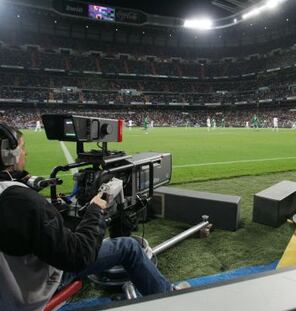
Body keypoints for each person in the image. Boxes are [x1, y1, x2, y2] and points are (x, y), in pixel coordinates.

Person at [0, 124, 179, 311]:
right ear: (8, 154)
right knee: (130, 247)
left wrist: (50, 211)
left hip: (8, 288)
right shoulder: (21, 201)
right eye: (22, 147)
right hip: (32, 290)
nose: (25, 153)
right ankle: (170, 298)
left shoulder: (13, 198)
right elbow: (79, 255)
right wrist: (96, 209)